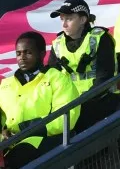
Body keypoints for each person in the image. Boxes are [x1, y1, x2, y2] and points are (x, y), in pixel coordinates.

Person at [0, 32, 79, 167]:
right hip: (9, 142)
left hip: (44, 139)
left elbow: (66, 118)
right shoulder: (6, 84)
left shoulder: (58, 79)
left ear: (42, 54)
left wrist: (25, 129)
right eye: (18, 53)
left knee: (17, 158)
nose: (22, 58)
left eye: (28, 52)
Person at [46, 0, 119, 130]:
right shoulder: (57, 43)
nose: (64, 25)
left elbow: (104, 78)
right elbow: (50, 79)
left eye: (69, 19)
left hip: (101, 99)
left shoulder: (100, 38)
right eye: (62, 19)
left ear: (82, 20)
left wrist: (79, 102)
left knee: (76, 123)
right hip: (69, 102)